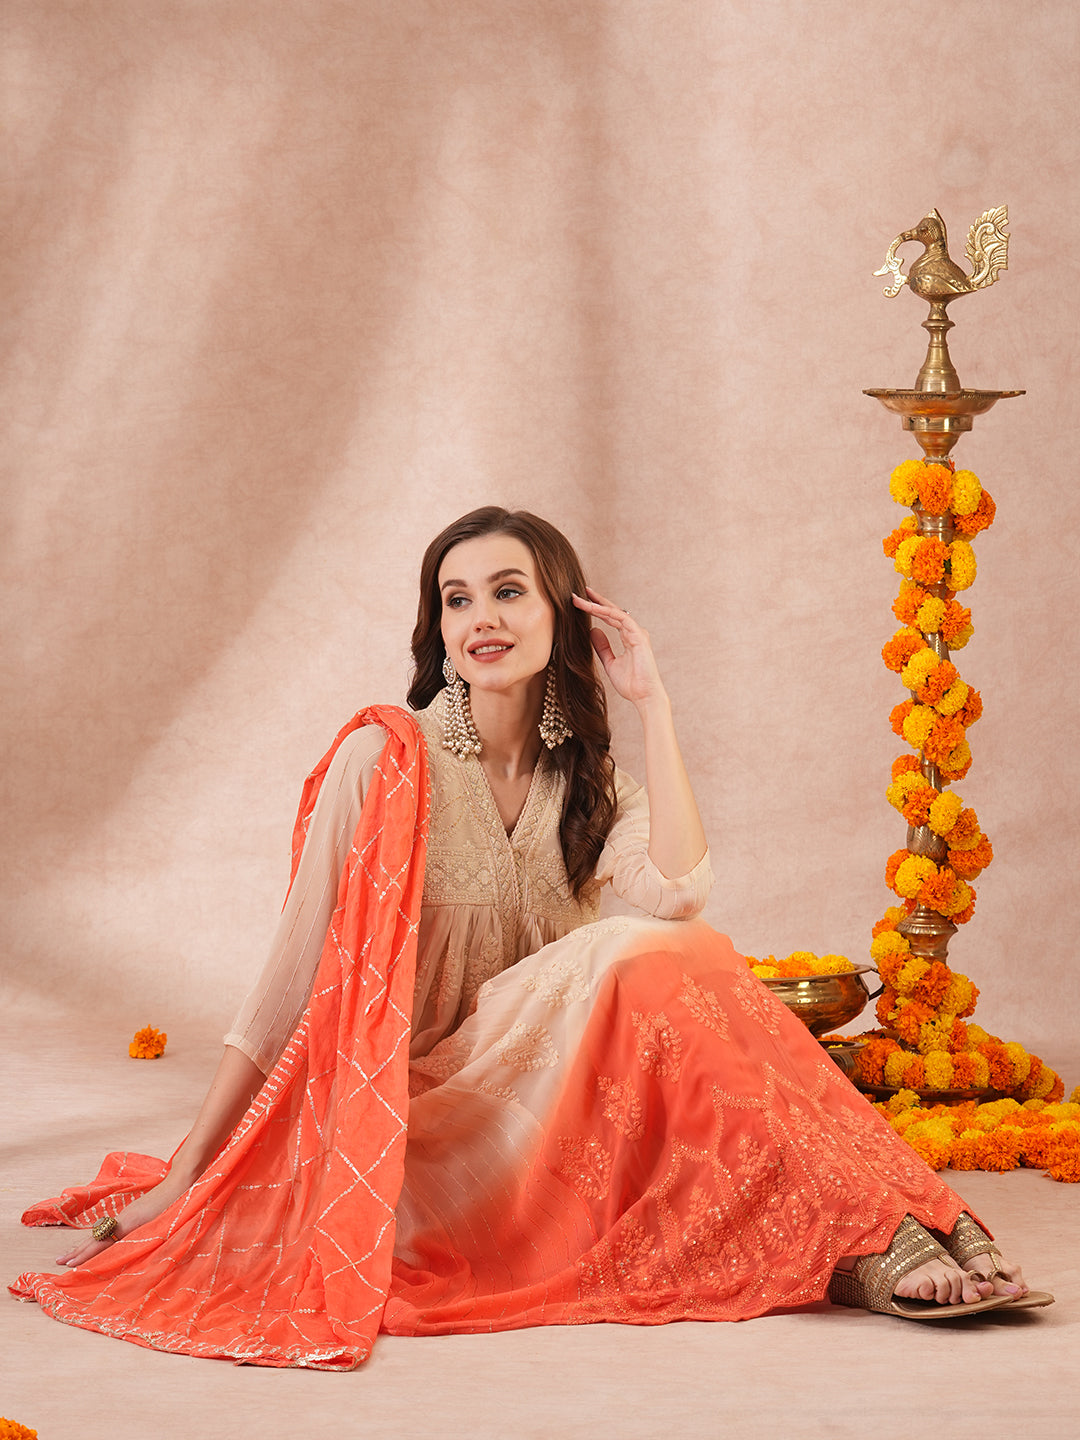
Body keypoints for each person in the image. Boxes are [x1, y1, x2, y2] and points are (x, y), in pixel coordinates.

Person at [13, 507, 1046, 1369]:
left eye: (509, 591)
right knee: (644, 953)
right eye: (457, 599)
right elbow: (289, 982)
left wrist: (654, 702)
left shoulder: (590, 784)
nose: (482, 619)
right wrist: (188, 1173)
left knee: (682, 951)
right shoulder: (384, 761)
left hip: (557, 1129)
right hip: (417, 1135)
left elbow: (679, 891)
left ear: (563, 613)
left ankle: (876, 1230)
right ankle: (876, 1237)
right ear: (437, 628)